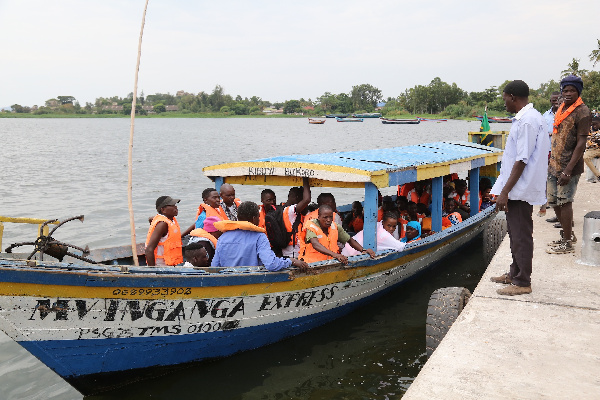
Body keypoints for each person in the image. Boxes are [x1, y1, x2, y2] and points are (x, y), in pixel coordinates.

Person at [490, 80, 550, 296]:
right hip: (520, 187)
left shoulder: (527, 121)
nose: (504, 102)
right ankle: (514, 273)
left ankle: (523, 281)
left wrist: (504, 192)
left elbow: (521, 160)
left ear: (513, 96)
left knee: (521, 234)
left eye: (504, 97)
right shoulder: (531, 118)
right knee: (515, 234)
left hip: (520, 189)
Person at [546, 75, 591, 254]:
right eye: (565, 90)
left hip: (569, 166)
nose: (568, 93)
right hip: (554, 163)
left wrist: (569, 169)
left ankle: (567, 241)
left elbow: (581, 144)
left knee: (565, 201)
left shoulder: (583, 111)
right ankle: (568, 234)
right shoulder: (561, 107)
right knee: (553, 200)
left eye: (572, 90)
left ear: (578, 91)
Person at [211, 201, 309, 272]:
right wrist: (290, 260)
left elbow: (215, 266)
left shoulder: (223, 237)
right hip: (252, 282)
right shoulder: (259, 237)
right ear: (254, 218)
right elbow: (271, 264)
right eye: (258, 217)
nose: (259, 219)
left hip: (229, 282)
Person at [300, 205, 376, 265]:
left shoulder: (335, 226)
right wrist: (336, 255)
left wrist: (363, 250)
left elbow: (349, 240)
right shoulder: (310, 226)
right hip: (312, 265)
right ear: (319, 217)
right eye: (325, 217)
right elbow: (315, 244)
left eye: (330, 217)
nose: (329, 220)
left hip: (330, 264)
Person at [342, 212, 406, 256]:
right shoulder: (383, 234)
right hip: (352, 254)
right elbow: (400, 247)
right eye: (389, 226)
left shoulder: (378, 224)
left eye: (394, 226)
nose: (391, 229)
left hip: (347, 248)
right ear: (383, 222)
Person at [145, 196, 184, 266]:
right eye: (172, 206)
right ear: (163, 210)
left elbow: (151, 218)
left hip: (170, 263)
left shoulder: (170, 220)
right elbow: (149, 250)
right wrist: (152, 271)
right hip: (161, 265)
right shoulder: (162, 224)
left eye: (175, 205)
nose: (176, 207)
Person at [540, 92, 561, 218]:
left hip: (559, 151)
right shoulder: (545, 116)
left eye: (557, 100)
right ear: (550, 101)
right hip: (547, 149)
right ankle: (546, 199)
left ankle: (558, 200)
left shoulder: (564, 114)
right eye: (553, 100)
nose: (555, 102)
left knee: (557, 176)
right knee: (546, 175)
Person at [583, 116, 600, 182]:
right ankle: (598, 175)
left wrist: (596, 141)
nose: (594, 126)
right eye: (592, 124)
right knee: (586, 157)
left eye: (596, 124)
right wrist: (597, 142)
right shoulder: (589, 130)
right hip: (592, 150)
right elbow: (589, 142)